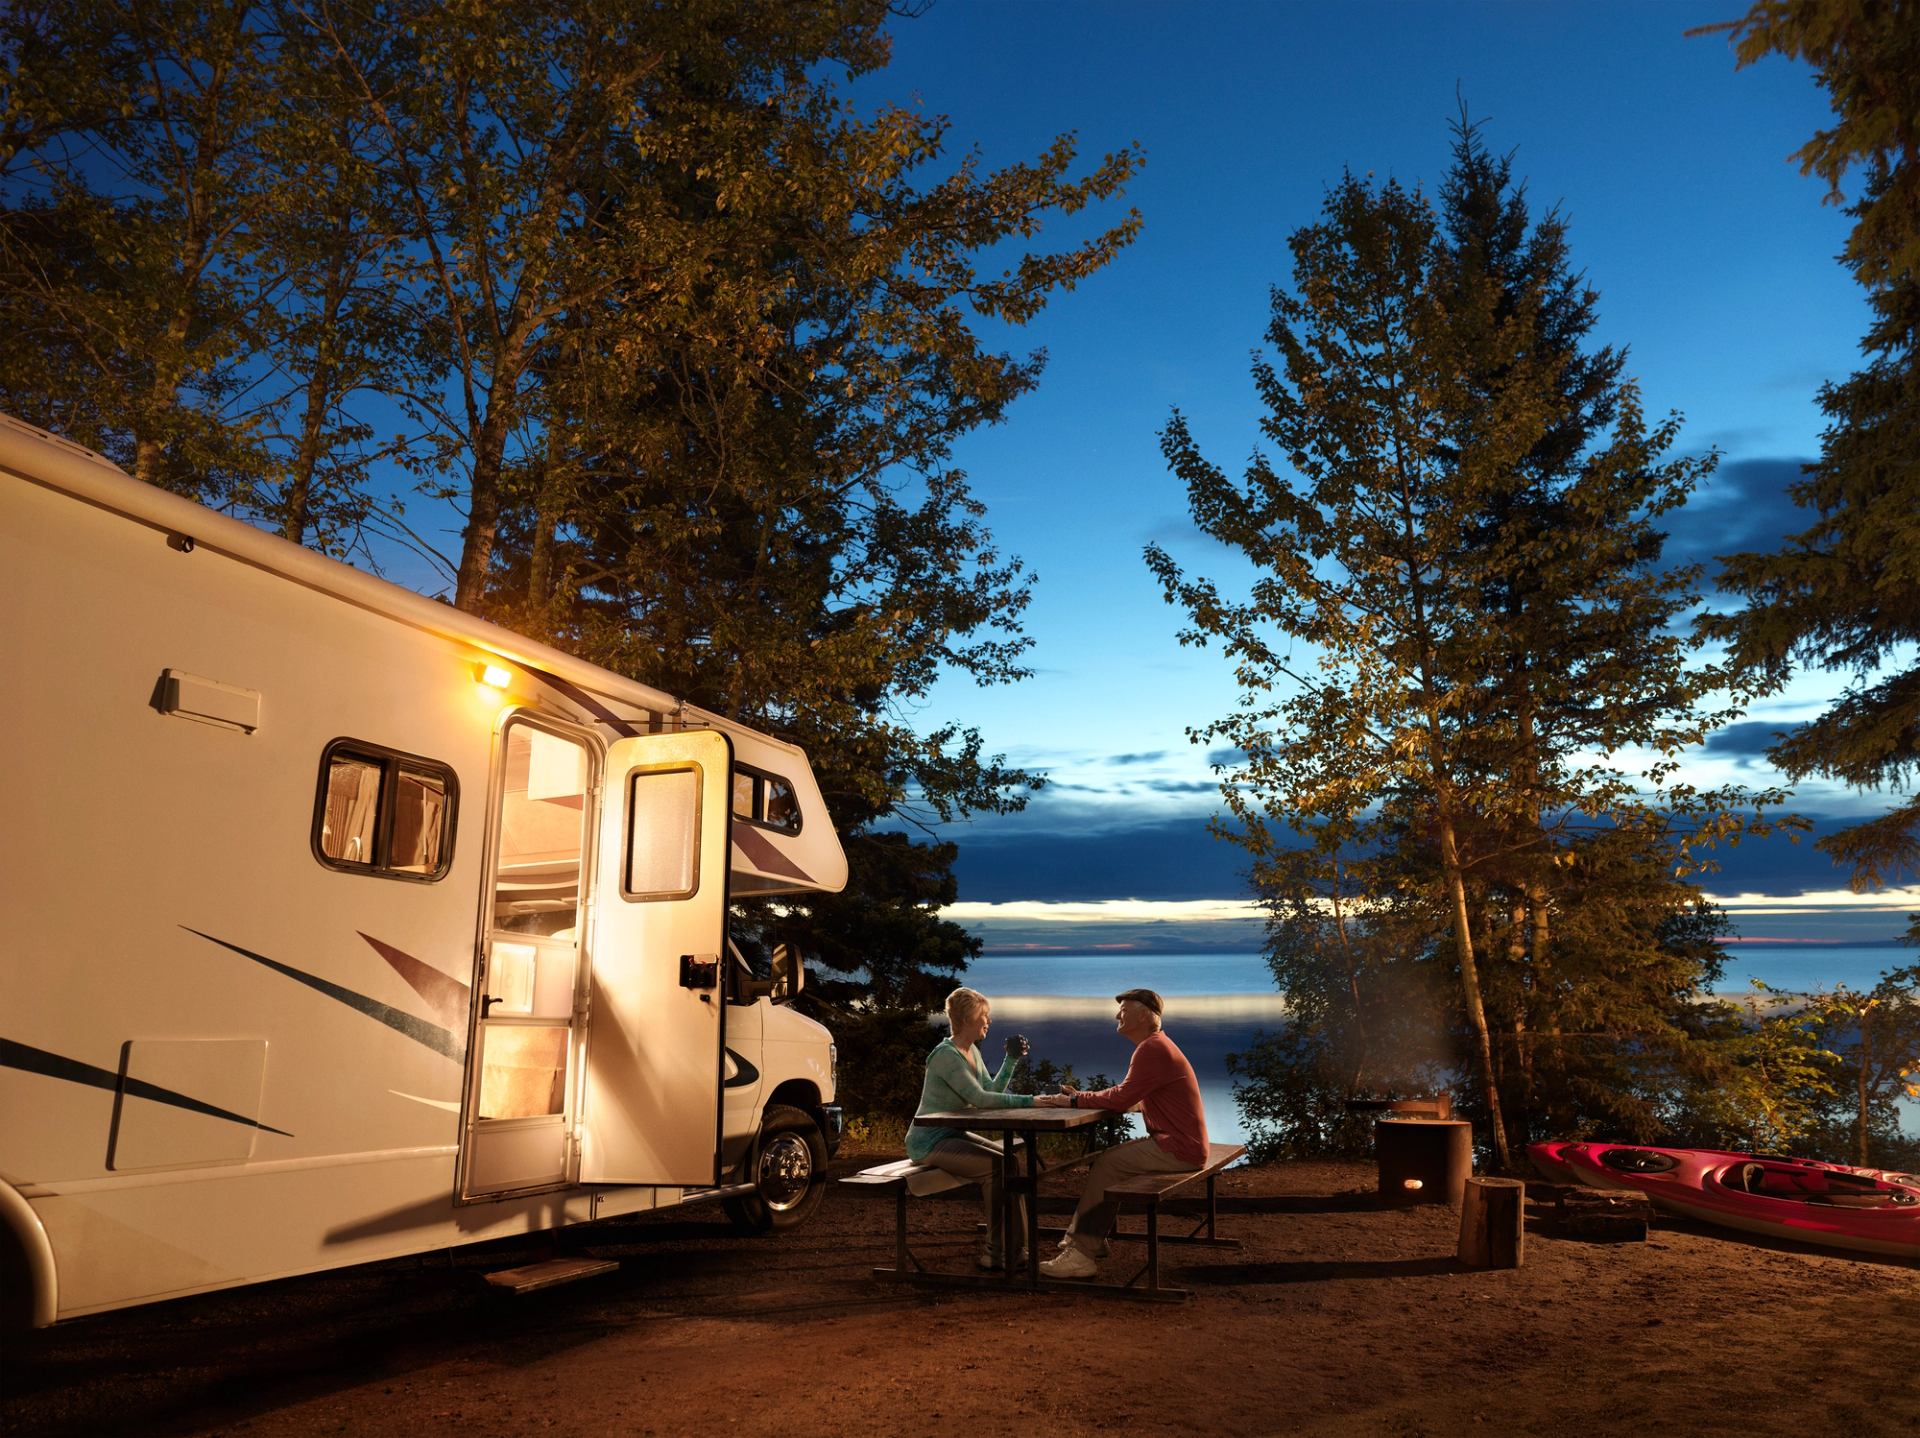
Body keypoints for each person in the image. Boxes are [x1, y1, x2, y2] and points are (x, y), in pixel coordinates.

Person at [1035, 987, 1208, 1280]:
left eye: (1124, 1011)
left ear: (1142, 1016)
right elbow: (1131, 1097)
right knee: (1111, 1162)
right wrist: (1085, 1097)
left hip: (1180, 1148)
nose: (1117, 1015)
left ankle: (1081, 1255)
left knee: (1107, 1163)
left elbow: (1120, 1098)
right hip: (1180, 1143)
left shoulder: (1152, 1049)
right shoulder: (1158, 1045)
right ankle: (1092, 1237)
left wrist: (1075, 1100)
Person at [907, 986, 1035, 1270]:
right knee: (995, 1168)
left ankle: (1017, 1249)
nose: (987, 1022)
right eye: (983, 1016)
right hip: (928, 1141)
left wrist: (1010, 1060)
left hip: (952, 1134)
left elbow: (989, 1091)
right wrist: (1033, 1101)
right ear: (966, 1020)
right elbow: (979, 1099)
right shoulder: (945, 1056)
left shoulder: (971, 1052)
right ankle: (996, 1251)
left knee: (1009, 1162)